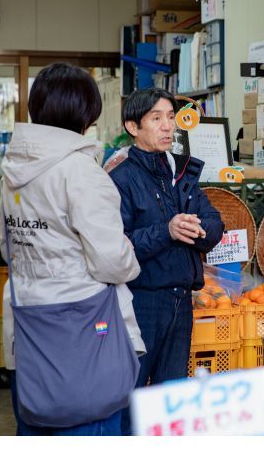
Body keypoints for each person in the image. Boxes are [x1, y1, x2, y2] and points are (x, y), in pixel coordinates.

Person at [0, 62, 145, 436]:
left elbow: (7, 247)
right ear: (85, 112)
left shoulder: (13, 170)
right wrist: (129, 254)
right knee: (90, 424)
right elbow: (111, 260)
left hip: (28, 315)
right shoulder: (80, 171)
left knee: (34, 420)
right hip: (82, 323)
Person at [109, 88, 224, 435]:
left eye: (170, 117)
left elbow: (216, 224)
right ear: (133, 126)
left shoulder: (181, 173)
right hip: (141, 301)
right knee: (130, 396)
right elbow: (118, 246)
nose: (167, 126)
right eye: (156, 118)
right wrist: (168, 230)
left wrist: (198, 229)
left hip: (181, 299)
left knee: (171, 399)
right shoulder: (120, 177)